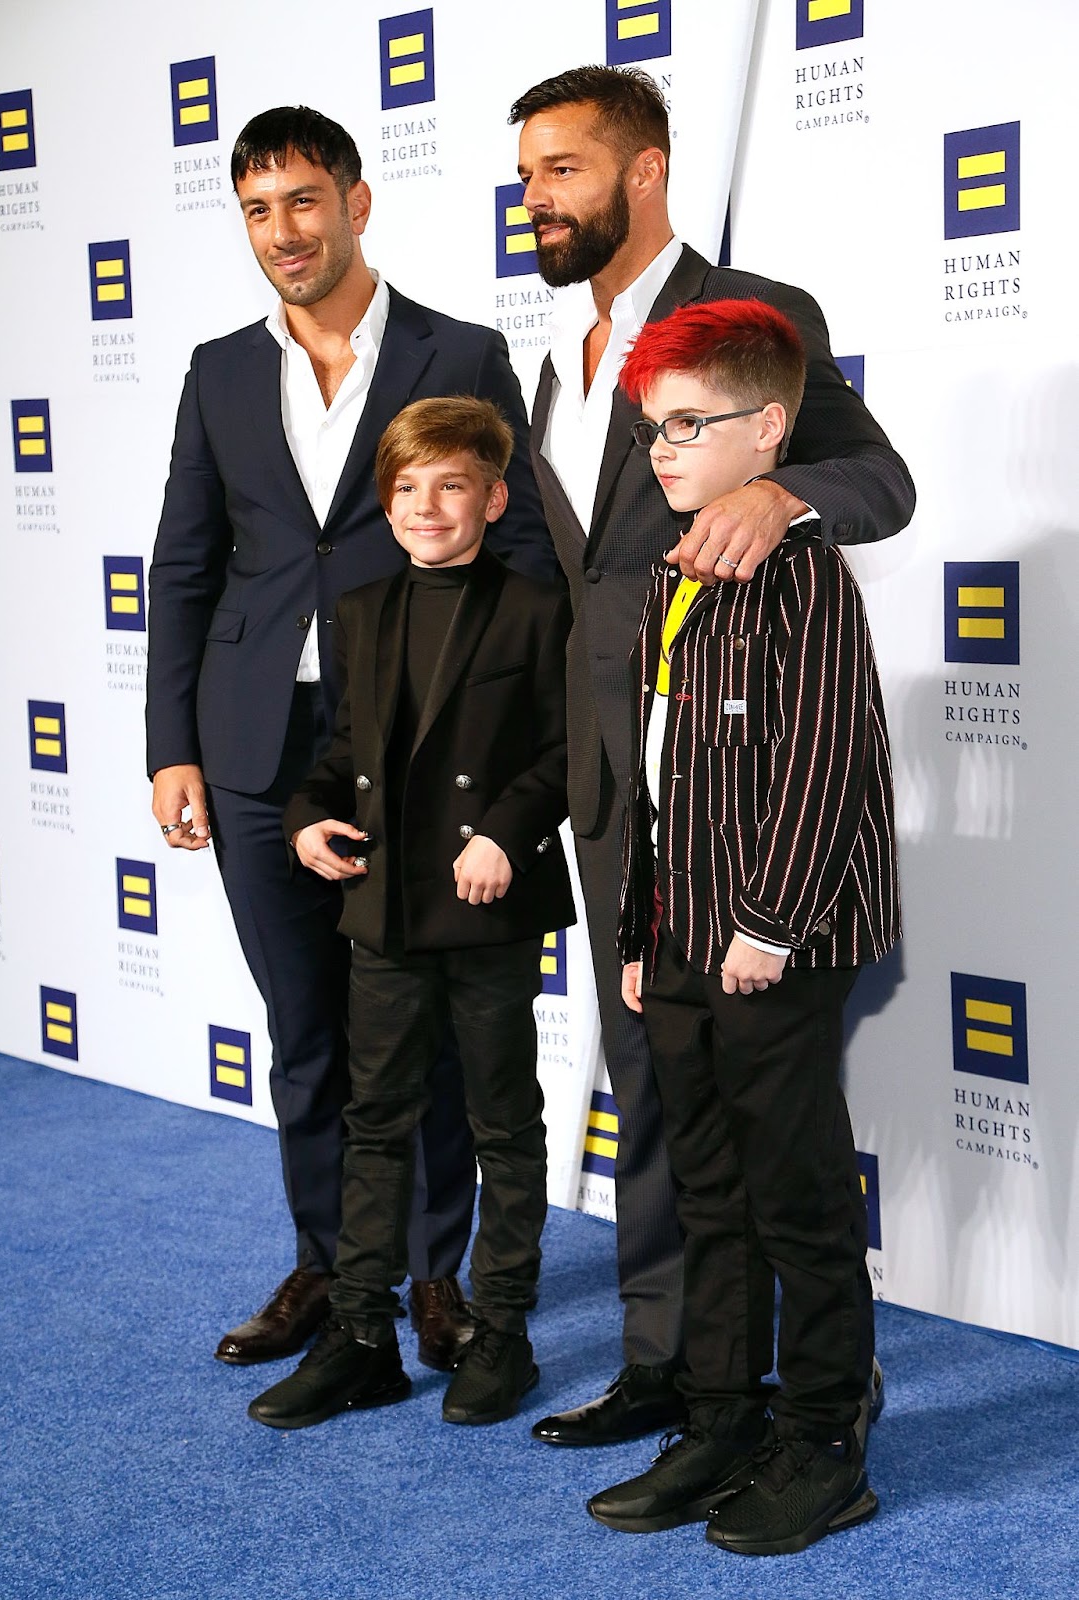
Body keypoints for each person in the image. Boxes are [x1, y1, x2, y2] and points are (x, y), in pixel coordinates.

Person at [509, 64, 913, 1447]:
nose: (534, 200)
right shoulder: (546, 359)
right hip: (613, 782)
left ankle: (811, 1400)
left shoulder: (750, 320)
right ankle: (676, 1364)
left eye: (560, 170)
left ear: (643, 170)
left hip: (743, 781)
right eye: (523, 177)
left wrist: (780, 488)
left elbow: (880, 482)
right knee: (651, 1082)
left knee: (758, 1112)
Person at [146, 106, 556, 1371]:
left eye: (304, 202)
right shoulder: (219, 368)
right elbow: (185, 564)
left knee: (417, 1021)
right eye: (259, 210)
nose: (283, 232)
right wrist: (173, 744)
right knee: (307, 1026)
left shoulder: (461, 348)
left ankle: (435, 1274)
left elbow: (528, 548)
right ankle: (335, 1267)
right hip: (258, 743)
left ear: (357, 202)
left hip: (418, 738)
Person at [584, 297, 899, 1553]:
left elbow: (825, 765)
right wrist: (633, 931)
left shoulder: (802, 577)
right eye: (651, 429)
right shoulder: (675, 575)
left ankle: (825, 1434)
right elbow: (656, 777)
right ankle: (721, 1411)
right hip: (680, 939)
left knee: (798, 1195)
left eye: (689, 425)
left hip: (776, 946)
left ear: (770, 432)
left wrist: (765, 927)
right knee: (706, 1190)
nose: (663, 450)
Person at [245, 397, 574, 1430]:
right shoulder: (363, 608)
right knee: (375, 1118)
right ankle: (361, 1334)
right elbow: (346, 751)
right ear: (385, 503)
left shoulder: (535, 607)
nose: (427, 505)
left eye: (451, 484)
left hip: (484, 904)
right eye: (406, 487)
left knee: (501, 1122)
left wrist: (504, 832)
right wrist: (307, 816)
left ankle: (505, 1331)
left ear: (493, 496)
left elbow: (569, 751)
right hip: (383, 904)